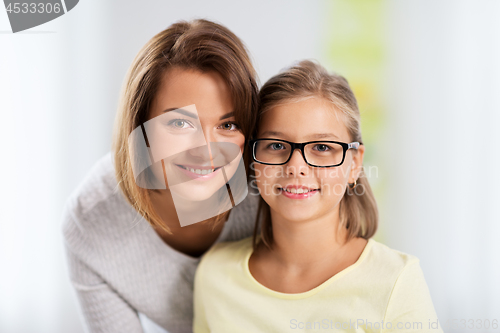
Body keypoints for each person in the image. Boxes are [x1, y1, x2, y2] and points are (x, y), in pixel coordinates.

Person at [193, 60, 444, 332]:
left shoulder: (396, 281)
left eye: (322, 147)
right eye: (276, 145)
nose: (296, 168)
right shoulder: (214, 274)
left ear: (355, 163)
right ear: (252, 159)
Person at [61, 19, 259, 333]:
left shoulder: (270, 190)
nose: (207, 151)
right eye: (180, 124)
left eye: (228, 125)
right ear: (139, 128)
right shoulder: (92, 220)